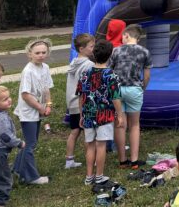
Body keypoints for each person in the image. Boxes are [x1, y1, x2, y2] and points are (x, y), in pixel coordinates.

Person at [77, 39, 124, 186]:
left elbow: (81, 96)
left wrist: (81, 115)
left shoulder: (84, 74)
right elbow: (115, 98)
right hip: (104, 115)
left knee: (90, 145)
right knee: (101, 145)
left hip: (88, 114)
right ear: (110, 56)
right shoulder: (111, 75)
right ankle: (99, 176)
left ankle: (89, 176)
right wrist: (120, 115)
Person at [109, 23, 152, 169]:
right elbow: (146, 76)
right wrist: (142, 88)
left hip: (117, 90)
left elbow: (109, 71)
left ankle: (122, 160)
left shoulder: (115, 51)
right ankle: (134, 160)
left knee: (120, 123)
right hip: (134, 89)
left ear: (126, 35)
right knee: (134, 125)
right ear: (138, 38)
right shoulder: (145, 52)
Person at [12, 38, 53, 185]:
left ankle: (17, 168)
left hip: (38, 110)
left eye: (43, 52)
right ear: (30, 54)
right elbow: (26, 95)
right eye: (37, 53)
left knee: (31, 142)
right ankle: (30, 177)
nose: (41, 55)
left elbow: (47, 88)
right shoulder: (28, 71)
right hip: (28, 112)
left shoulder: (45, 67)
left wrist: (48, 104)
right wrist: (40, 108)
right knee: (30, 144)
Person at [64, 33, 95, 170]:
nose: (93, 49)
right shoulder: (88, 65)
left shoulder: (74, 62)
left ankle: (69, 160)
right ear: (81, 49)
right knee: (89, 133)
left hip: (72, 102)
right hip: (82, 103)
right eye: (91, 46)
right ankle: (92, 159)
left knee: (74, 131)